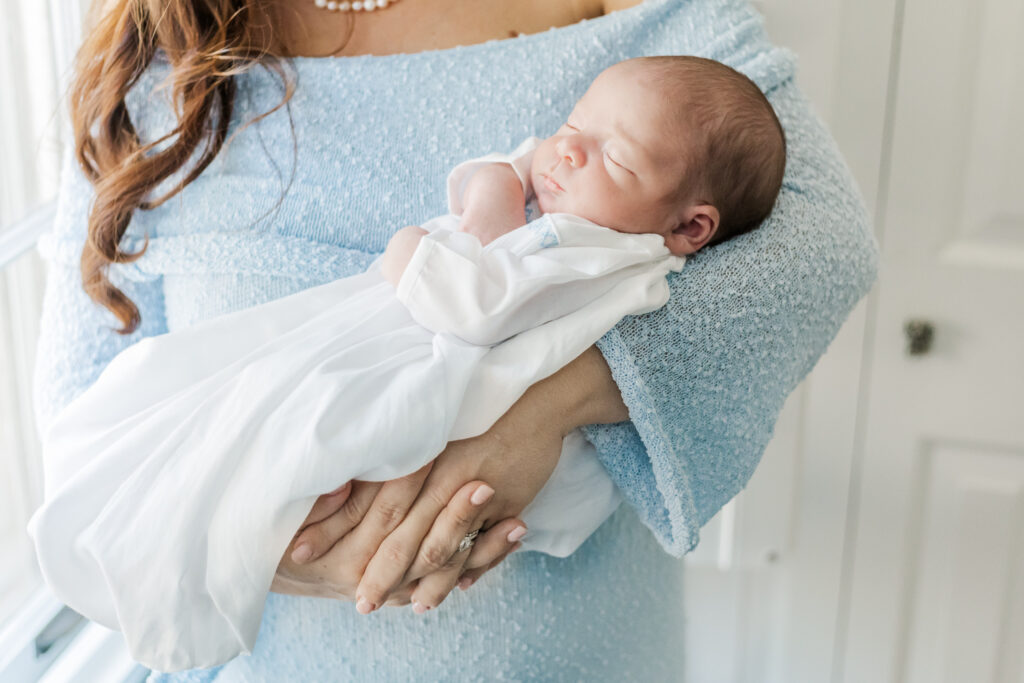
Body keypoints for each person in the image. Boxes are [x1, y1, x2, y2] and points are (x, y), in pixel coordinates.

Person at [32, 0, 876, 679]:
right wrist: (273, 545)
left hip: (577, 653)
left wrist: (543, 405)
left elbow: (822, 247)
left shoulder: (648, 29)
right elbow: (90, 424)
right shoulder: (159, 59)